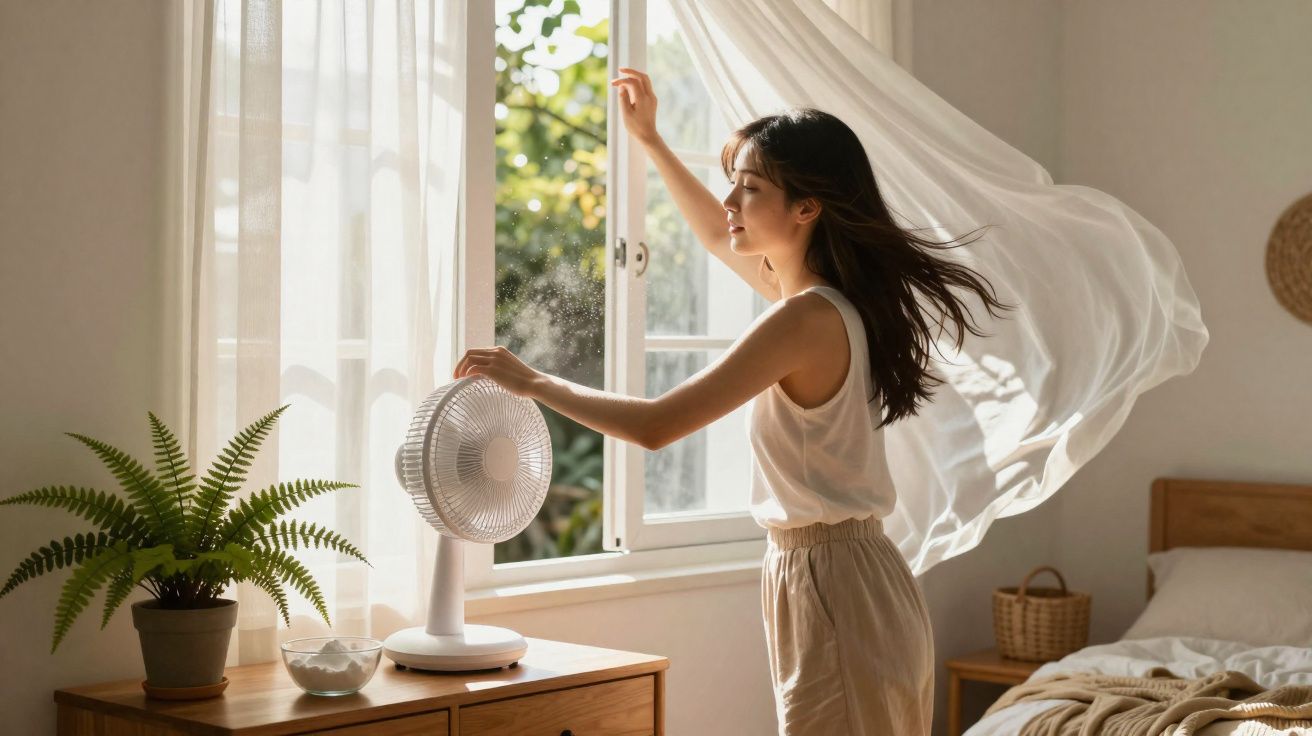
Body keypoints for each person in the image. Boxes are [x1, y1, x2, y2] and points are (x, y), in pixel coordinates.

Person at [452, 67, 1012, 735]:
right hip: (830, 573)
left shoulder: (804, 318)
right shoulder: (817, 302)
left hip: (837, 578)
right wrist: (652, 141)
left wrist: (535, 382)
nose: (730, 201)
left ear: (806, 208)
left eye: (749, 189)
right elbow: (717, 237)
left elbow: (659, 425)